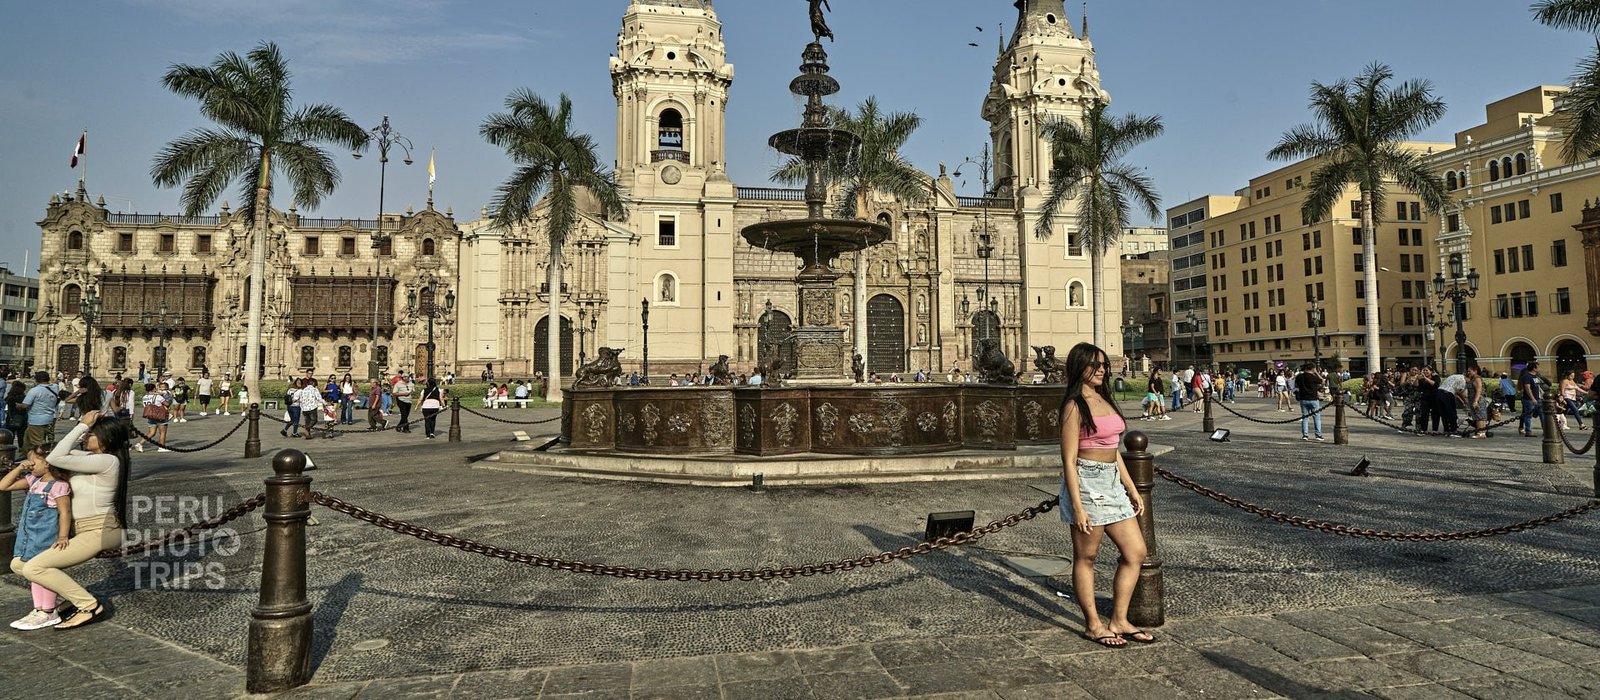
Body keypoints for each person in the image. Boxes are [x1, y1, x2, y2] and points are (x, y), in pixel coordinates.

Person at [1057, 342, 1150, 648]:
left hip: (1111, 482)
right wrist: (1079, 507)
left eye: (1103, 365)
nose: (1101, 370)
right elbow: (1069, 459)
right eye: (1094, 365)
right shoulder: (1073, 405)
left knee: (1135, 552)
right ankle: (1093, 624)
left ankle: (1119, 619)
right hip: (1087, 482)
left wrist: (1132, 489)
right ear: (1078, 367)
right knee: (1087, 556)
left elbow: (1113, 450)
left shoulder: (1103, 398)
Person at [15, 410, 132, 630]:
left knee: (34, 568)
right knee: (18, 563)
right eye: (86, 434)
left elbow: (55, 458)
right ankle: (73, 595)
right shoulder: (89, 458)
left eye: (91, 434)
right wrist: (84, 426)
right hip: (84, 531)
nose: (86, 437)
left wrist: (81, 424)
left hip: (101, 530)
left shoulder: (109, 461)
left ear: (105, 439)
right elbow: (56, 452)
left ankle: (88, 605)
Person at [2, 444, 73, 629]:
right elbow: (3, 485)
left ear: (48, 463)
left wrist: (63, 536)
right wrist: (19, 467)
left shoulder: (58, 486)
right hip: (29, 537)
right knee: (35, 574)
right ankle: (39, 609)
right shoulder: (33, 480)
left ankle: (48, 611)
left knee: (42, 572)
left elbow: (65, 512)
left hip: (46, 538)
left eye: (33, 460)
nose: (30, 464)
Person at [19, 372, 63, 455]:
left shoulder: (35, 390)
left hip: (36, 420)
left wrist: (18, 405)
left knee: (37, 443)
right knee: (27, 440)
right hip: (49, 418)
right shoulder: (55, 388)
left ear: (36, 380)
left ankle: (43, 460)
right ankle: (26, 456)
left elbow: (25, 405)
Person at [134, 383, 172, 453]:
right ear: (154, 389)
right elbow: (167, 404)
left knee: (151, 432)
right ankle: (161, 447)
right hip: (160, 416)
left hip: (150, 416)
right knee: (162, 432)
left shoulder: (144, 397)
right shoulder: (158, 397)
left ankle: (140, 443)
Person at [1293, 363, 1324, 442]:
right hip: (1313, 399)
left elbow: (1296, 384)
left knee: (1305, 417)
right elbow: (1322, 381)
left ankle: (1305, 435)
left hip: (1303, 399)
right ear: (1313, 368)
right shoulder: (1313, 377)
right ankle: (1318, 435)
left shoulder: (1300, 376)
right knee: (1316, 417)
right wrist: (1317, 373)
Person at [1519, 362, 1546, 437]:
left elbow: (1538, 387)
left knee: (1542, 415)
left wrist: (1542, 394)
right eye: (1537, 367)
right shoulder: (1527, 377)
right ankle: (1528, 431)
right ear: (1534, 368)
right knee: (1528, 416)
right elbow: (1528, 388)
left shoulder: (1536, 377)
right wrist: (1533, 398)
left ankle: (1545, 430)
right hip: (1529, 399)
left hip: (1538, 398)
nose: (1539, 369)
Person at [1463, 365, 1489, 439]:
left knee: (1479, 416)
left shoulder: (1477, 378)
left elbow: (1479, 390)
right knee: (1480, 416)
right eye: (1468, 371)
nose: (1468, 372)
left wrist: (1476, 401)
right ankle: (1482, 432)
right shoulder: (1472, 379)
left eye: (1470, 371)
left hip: (1478, 399)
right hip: (1473, 399)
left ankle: (1480, 432)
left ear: (1475, 371)